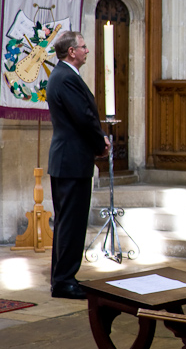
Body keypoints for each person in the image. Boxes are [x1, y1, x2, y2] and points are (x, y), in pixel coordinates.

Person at [47, 31, 110, 299]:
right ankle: (63, 282)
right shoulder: (66, 77)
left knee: (67, 223)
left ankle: (62, 277)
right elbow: (83, 118)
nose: (87, 51)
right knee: (71, 223)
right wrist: (100, 144)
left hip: (69, 160)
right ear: (72, 51)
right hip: (71, 161)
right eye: (84, 47)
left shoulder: (62, 76)